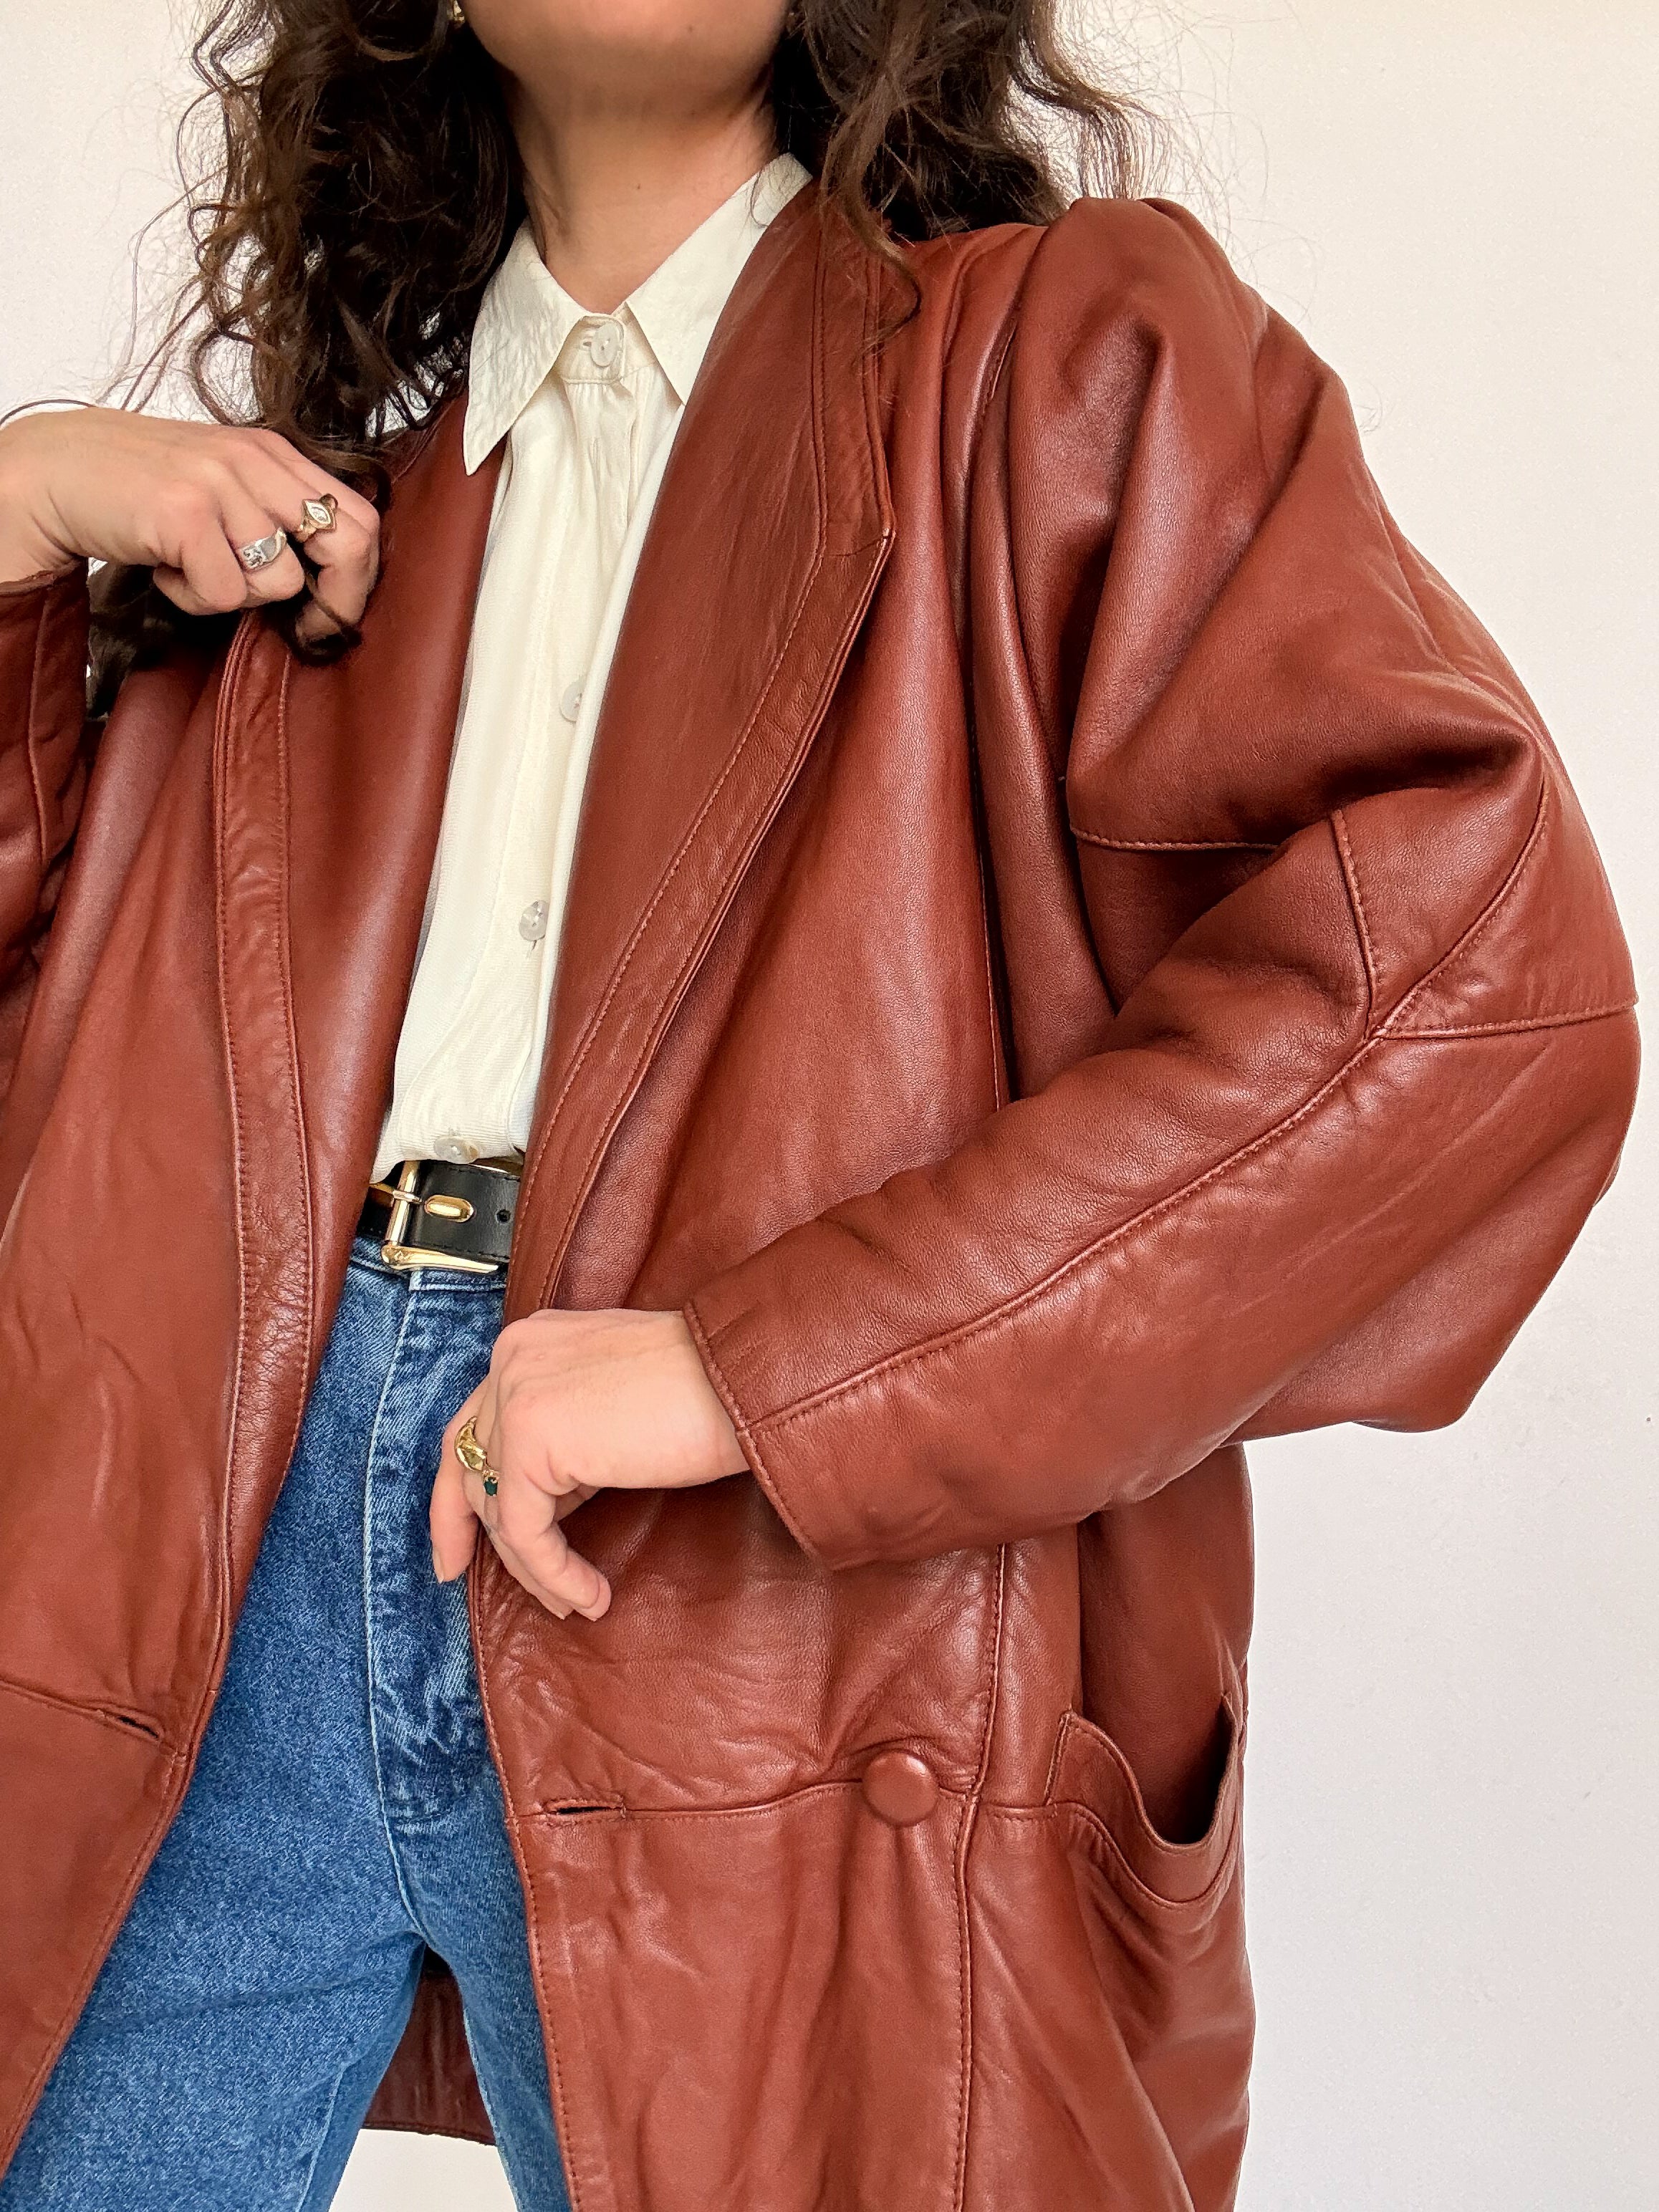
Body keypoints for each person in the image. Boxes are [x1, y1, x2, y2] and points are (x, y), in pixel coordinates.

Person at [0, 1, 1638, 2206]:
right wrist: (17, 509)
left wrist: (769, 1369)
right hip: (200, 1591)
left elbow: (1465, 984)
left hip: (781, 1607)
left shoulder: (1060, 364)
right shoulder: (300, 548)